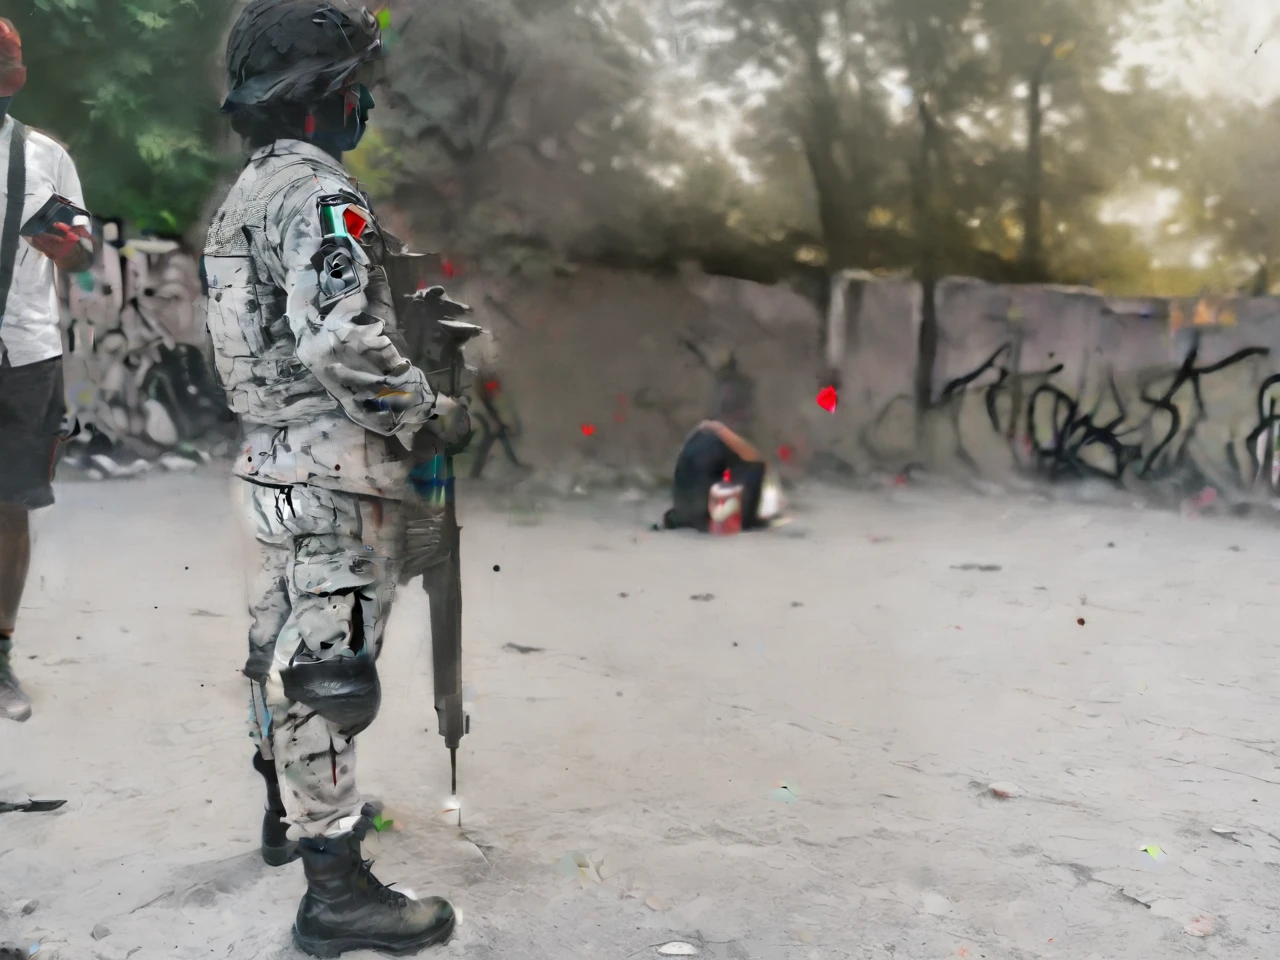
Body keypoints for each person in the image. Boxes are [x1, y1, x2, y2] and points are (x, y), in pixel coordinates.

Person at [204, 2, 470, 954]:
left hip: (267, 457)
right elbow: (341, 339)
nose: (364, 102)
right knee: (332, 675)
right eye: (353, 84)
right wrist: (428, 415)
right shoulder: (320, 195)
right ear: (322, 97)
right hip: (334, 470)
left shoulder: (244, 195)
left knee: (276, 646)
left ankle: (287, 808)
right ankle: (336, 890)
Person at [0, 17, 92, 722]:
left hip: (24, 356)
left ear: (16, 78)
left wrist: (65, 246)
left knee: (10, 509)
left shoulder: (44, 158)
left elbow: (83, 253)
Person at [663, 419, 769, 532]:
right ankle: (749, 521)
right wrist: (721, 430)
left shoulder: (697, 438)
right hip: (706, 519)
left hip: (681, 516)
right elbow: (755, 460)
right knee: (756, 466)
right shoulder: (721, 440)